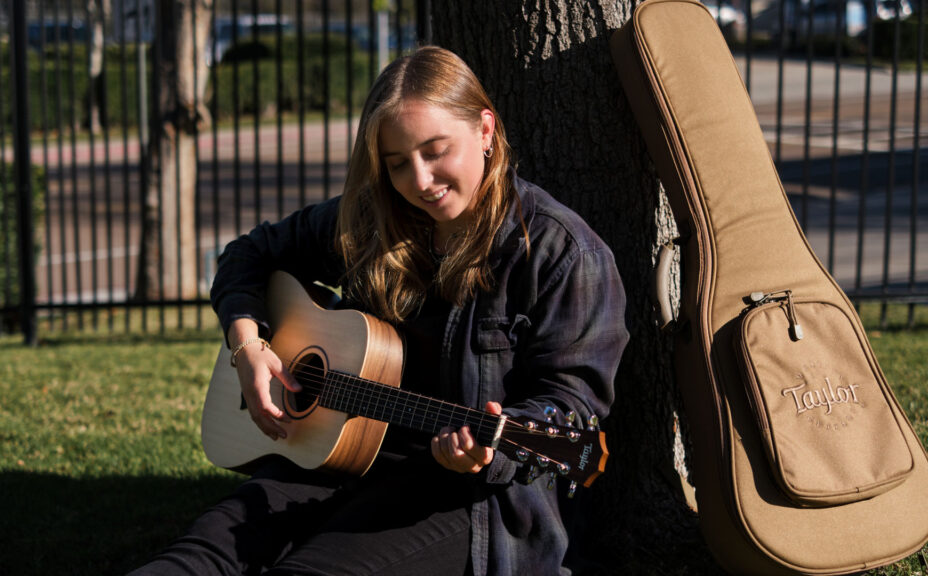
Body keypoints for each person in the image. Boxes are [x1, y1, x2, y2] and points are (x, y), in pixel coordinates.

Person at [131, 45, 629, 576]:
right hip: (333, 454)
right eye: (397, 164)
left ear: (485, 131)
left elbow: (569, 407)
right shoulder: (375, 222)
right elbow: (247, 256)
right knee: (193, 560)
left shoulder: (561, 252)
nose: (419, 181)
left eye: (436, 150)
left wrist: (491, 450)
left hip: (464, 497)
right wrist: (249, 347)